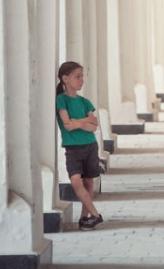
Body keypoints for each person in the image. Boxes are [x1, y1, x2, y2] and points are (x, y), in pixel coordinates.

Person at [56, 61, 104, 231]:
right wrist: (83, 122)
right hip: (73, 147)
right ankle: (96, 215)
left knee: (89, 180)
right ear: (65, 78)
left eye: (82, 76)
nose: (81, 80)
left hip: (90, 145)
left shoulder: (85, 102)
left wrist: (78, 122)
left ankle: (84, 218)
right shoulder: (61, 100)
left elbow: (95, 124)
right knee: (76, 180)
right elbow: (67, 124)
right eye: (77, 76)